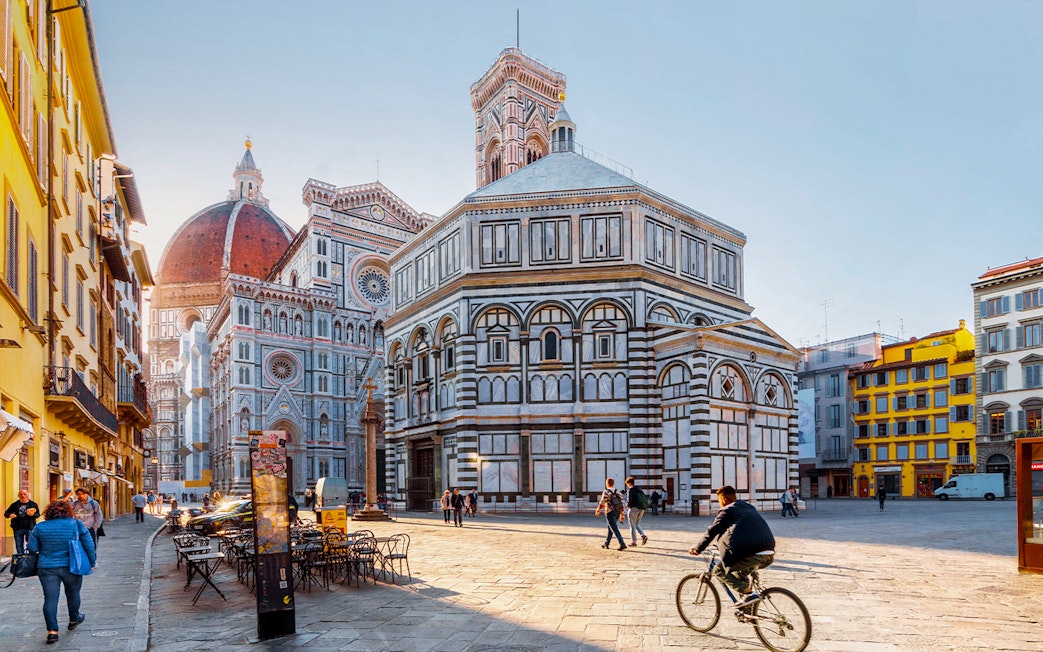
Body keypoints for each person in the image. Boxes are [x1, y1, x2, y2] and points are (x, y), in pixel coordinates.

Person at [689, 486, 775, 610]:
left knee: (719, 570)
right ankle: (748, 609)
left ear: (723, 500)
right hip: (769, 552)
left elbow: (712, 531)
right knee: (741, 573)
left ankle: (748, 594)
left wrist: (698, 548)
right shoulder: (749, 507)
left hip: (752, 553)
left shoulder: (726, 510)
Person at [27, 499, 96, 645]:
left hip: (47, 567)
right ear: (68, 511)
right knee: (73, 594)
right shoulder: (76, 524)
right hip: (72, 565)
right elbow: (88, 543)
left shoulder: (40, 527)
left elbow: (32, 548)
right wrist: (92, 562)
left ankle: (52, 632)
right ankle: (73, 619)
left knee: (50, 599)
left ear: (49, 512)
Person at [594, 478, 627, 551]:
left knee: (614, 528)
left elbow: (602, 502)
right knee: (611, 528)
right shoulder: (618, 492)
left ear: (607, 483)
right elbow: (622, 503)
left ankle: (622, 543)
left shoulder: (606, 492)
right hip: (617, 512)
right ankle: (606, 543)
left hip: (609, 512)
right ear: (613, 484)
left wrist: (598, 510)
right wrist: (622, 513)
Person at [5, 489, 40, 554]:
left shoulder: (33, 504)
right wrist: (10, 515)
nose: (22, 496)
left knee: (31, 544)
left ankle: (31, 559)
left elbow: (38, 514)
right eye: (21, 494)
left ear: (27, 495)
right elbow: (6, 513)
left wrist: (32, 515)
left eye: (24, 494)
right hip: (17, 527)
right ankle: (20, 560)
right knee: (19, 545)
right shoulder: (15, 504)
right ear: (18, 495)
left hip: (30, 527)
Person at [624, 477, 649, 546]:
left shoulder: (630, 490)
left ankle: (634, 542)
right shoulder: (639, 489)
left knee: (632, 525)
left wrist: (627, 506)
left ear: (629, 483)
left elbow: (629, 500)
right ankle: (643, 535)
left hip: (633, 509)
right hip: (641, 509)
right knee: (636, 524)